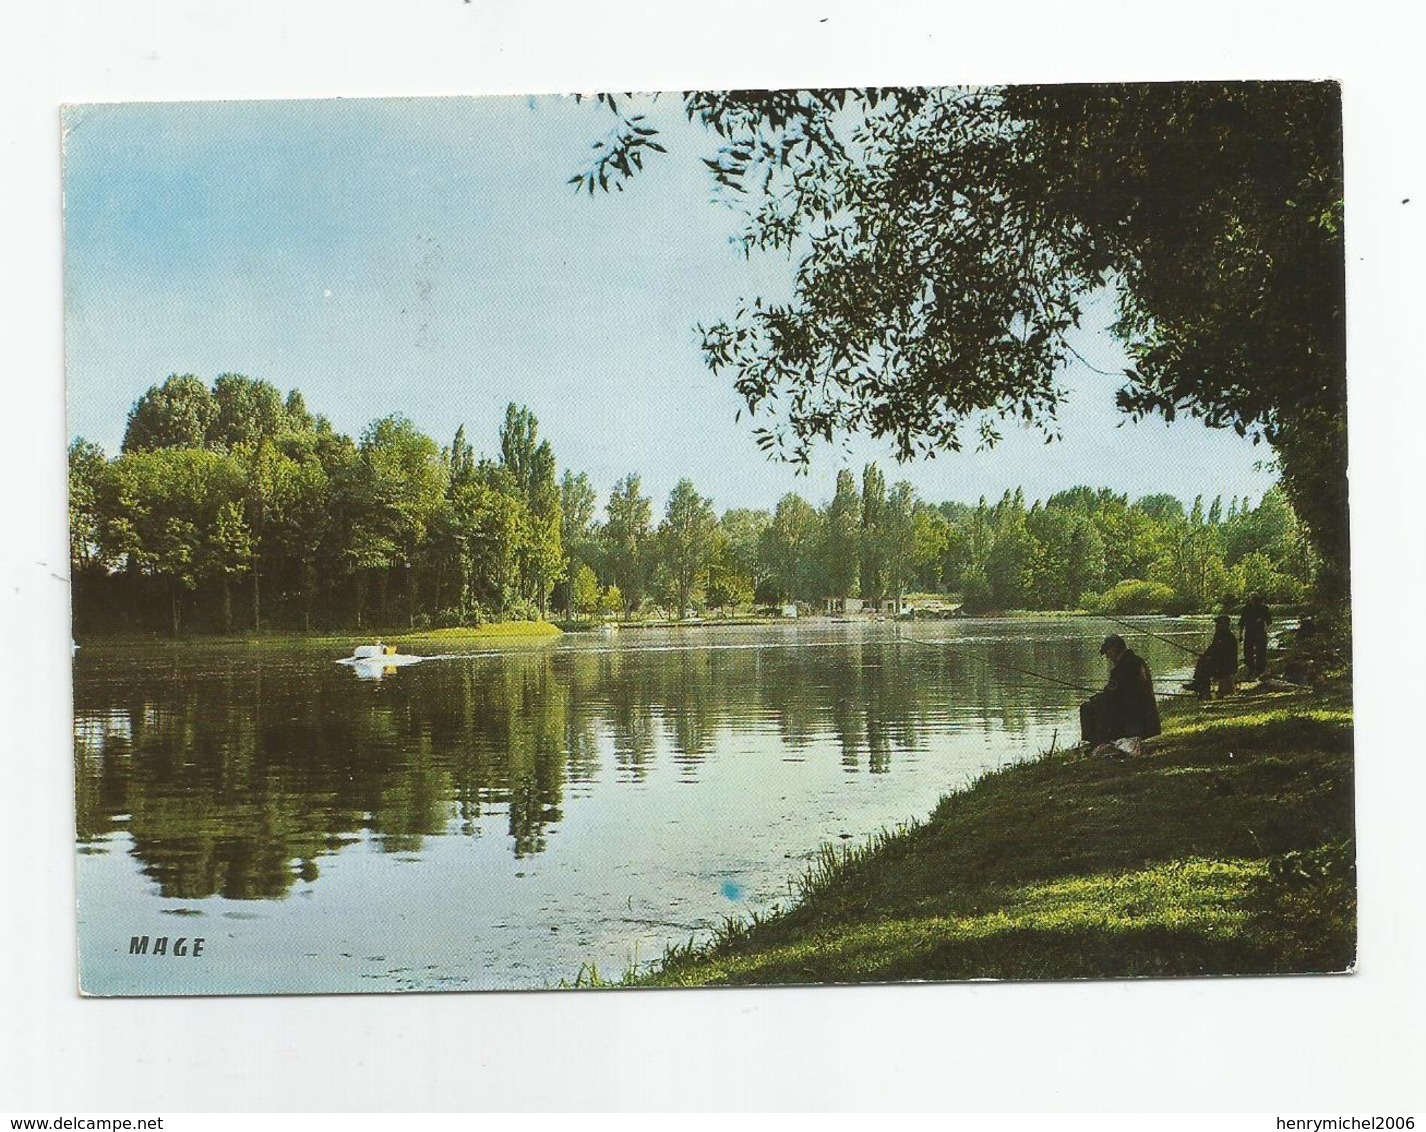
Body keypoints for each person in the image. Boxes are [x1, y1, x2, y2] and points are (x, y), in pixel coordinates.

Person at [1080, 634, 1162, 755]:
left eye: (1108, 652)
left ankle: (1097, 743)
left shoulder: (1123, 667)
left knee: (1087, 708)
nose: (1107, 656)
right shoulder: (1136, 661)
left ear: (1114, 649)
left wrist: (1097, 698)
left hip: (1135, 717)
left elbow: (1113, 695)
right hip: (1145, 715)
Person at [1184, 615, 1238, 699]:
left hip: (1227, 666)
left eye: (1218, 624)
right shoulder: (1219, 635)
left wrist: (1211, 658)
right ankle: (1199, 686)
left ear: (1224, 624)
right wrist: (1205, 656)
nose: (1216, 626)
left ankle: (1202, 690)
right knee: (1202, 661)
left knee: (1205, 668)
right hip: (1221, 663)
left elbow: (1224, 654)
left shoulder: (1227, 637)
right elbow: (1212, 649)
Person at [1240, 595, 1273, 678]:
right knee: (1249, 652)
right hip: (1251, 632)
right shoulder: (1246, 609)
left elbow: (1269, 621)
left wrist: (1262, 620)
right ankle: (1251, 668)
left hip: (1259, 632)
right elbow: (1242, 622)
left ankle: (1258, 670)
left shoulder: (1264, 609)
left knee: (1260, 652)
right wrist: (1240, 634)